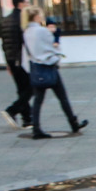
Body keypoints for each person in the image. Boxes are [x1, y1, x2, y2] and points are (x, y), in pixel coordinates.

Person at [23, 7, 88, 140]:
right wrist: (57, 57)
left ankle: (36, 128)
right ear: (36, 16)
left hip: (36, 67)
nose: (42, 17)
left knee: (38, 100)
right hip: (49, 66)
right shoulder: (42, 31)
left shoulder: (27, 31)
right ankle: (73, 123)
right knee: (62, 97)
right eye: (40, 15)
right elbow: (53, 46)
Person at [0, 0, 33, 129]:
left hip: (12, 59)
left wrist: (8, 62)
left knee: (22, 89)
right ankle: (12, 110)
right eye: (27, 2)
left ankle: (27, 119)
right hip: (22, 60)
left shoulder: (5, 20)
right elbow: (26, 42)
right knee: (31, 88)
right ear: (21, 4)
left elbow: (4, 44)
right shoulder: (23, 20)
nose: (29, 5)